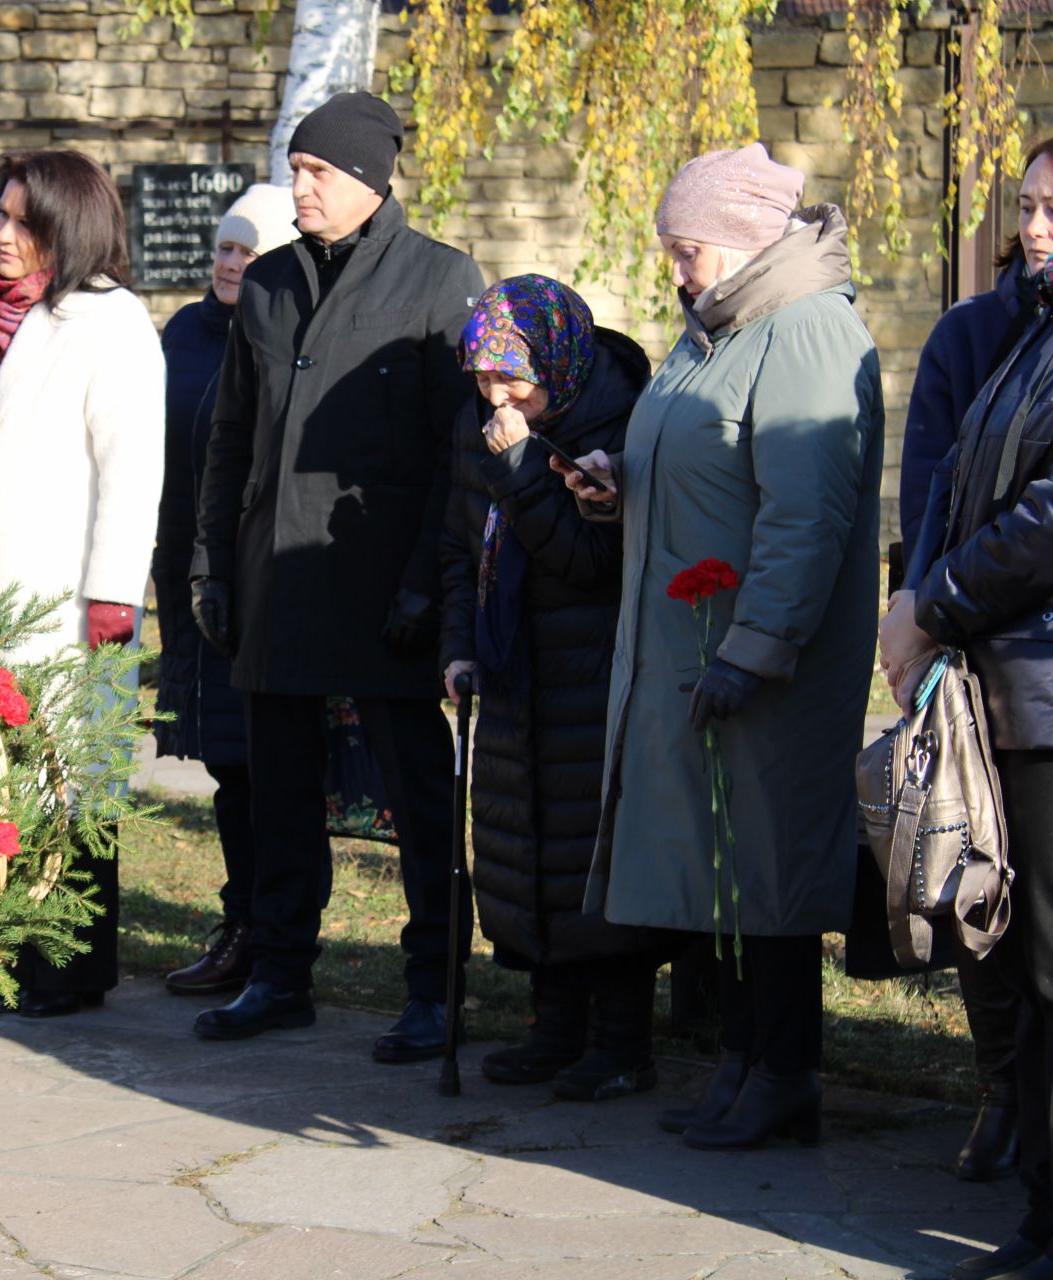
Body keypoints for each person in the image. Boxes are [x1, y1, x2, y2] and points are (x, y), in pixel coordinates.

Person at [560, 144, 882, 1148]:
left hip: (761, 664)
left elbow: (806, 515)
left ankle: (785, 1075)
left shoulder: (807, 333)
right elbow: (700, 454)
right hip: (700, 649)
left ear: (742, 242)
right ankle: (741, 1061)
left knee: (769, 873)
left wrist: (755, 648)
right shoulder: (716, 333)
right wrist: (621, 475)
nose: (675, 269)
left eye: (686, 247)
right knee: (723, 868)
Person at [188, 92, 486, 1058]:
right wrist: (213, 565)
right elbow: (229, 436)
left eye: (316, 172)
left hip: (383, 586)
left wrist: (427, 584)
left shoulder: (441, 281)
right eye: (295, 168)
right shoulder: (268, 285)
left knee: (419, 800)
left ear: (366, 178)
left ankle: (433, 986)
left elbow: (460, 453)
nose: (297, 187)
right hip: (275, 576)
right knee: (279, 796)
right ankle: (279, 973)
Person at [0, 149, 164, 1017]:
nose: (2, 235)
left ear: (67, 228)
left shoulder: (113, 322)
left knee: (72, 781)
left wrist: (112, 592)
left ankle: (69, 968)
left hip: (71, 593)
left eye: (23, 221)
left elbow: (132, 467)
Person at [438, 275, 658, 1099]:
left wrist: (525, 469)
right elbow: (460, 546)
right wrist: (459, 646)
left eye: (512, 378)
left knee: (589, 853)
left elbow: (591, 560)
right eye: (483, 377)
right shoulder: (485, 428)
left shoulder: (614, 421)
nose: (497, 395)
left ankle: (621, 1041)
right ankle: (554, 1025)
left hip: (591, 669)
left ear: (556, 361)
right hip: (513, 664)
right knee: (525, 846)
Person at [886, 203, 1053, 1280]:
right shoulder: (1026, 334)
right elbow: (951, 482)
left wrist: (935, 601)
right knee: (1022, 958)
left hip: (1044, 683)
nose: (1036, 224)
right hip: (1010, 681)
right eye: (1031, 205)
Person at [153, 182, 296, 997]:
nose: (231, 262)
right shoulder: (182, 333)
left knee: (259, 768)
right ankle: (242, 921)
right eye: (226, 247)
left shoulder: (278, 339)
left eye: (250, 251)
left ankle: (263, 933)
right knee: (223, 766)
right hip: (186, 577)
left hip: (252, 582)